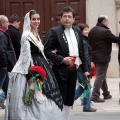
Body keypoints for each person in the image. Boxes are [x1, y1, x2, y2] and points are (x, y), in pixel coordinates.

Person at [4, 10, 66, 120]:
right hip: (31, 67)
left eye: (38, 19)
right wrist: (31, 75)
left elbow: (40, 51)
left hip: (41, 64)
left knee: (44, 95)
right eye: (34, 19)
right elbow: (26, 57)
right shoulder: (26, 36)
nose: (36, 21)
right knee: (34, 95)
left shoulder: (35, 34)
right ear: (29, 20)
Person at [44, 6, 89, 120]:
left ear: (74, 19)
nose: (67, 19)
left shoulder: (77, 31)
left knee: (70, 96)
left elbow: (82, 52)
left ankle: (66, 117)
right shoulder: (54, 31)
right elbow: (47, 51)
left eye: (69, 17)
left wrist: (86, 70)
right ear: (61, 18)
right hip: (59, 69)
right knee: (60, 96)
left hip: (73, 69)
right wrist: (61, 59)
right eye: (65, 16)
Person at [88, 15, 120, 102]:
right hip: (103, 57)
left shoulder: (92, 30)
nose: (108, 22)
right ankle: (95, 95)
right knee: (100, 76)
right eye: (107, 21)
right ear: (103, 22)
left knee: (101, 75)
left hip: (94, 56)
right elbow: (116, 39)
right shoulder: (105, 31)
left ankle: (106, 93)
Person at [74, 23, 96, 112]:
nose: (87, 31)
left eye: (87, 29)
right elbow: (85, 56)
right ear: (80, 31)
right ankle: (86, 106)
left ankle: (86, 105)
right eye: (85, 30)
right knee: (86, 86)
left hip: (82, 67)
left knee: (84, 86)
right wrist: (86, 70)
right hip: (83, 68)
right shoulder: (83, 41)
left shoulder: (83, 40)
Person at [0, 14, 22, 107]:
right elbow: (2, 51)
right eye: (6, 22)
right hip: (3, 66)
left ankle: (11, 106)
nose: (8, 23)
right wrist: (5, 64)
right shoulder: (2, 35)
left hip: (4, 66)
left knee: (8, 87)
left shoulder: (4, 33)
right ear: (2, 23)